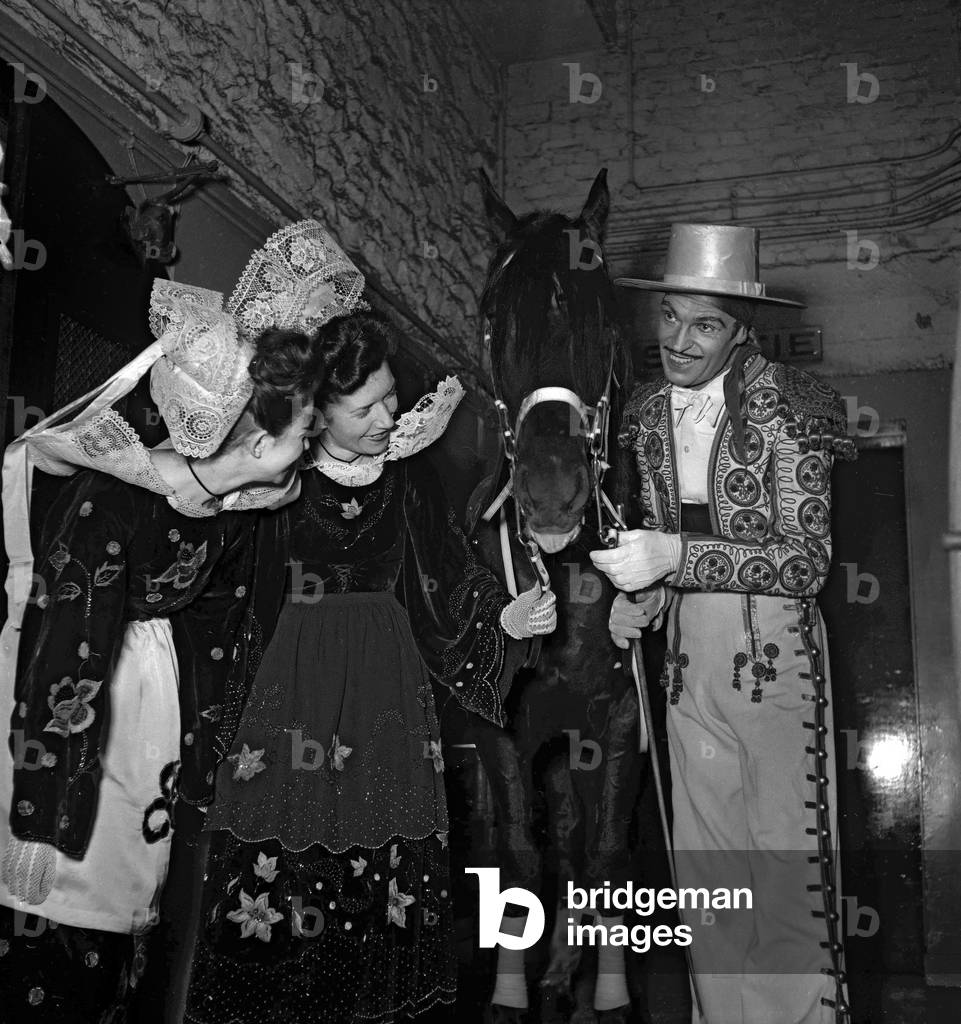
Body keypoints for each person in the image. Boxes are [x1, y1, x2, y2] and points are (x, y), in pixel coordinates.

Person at [0, 220, 366, 1022]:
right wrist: (47, 799)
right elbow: (68, 641)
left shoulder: (243, 506)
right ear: (253, 425)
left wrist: (210, 762)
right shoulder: (118, 494)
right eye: (301, 415)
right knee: (69, 906)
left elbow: (220, 629)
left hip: (152, 702)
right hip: (82, 700)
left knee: (133, 912)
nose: (314, 429)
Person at [182, 309, 557, 1024]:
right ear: (317, 413)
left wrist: (504, 618)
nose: (390, 414)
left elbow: (448, 576)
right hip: (291, 694)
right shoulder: (277, 482)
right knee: (282, 861)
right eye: (366, 406)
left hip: (386, 694)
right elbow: (229, 592)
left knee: (381, 867)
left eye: (391, 394)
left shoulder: (408, 482)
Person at [589, 224, 856, 1024]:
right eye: (668, 317)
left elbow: (803, 562)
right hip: (686, 673)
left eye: (702, 324)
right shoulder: (641, 414)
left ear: (742, 327)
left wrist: (671, 555)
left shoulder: (794, 406)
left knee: (783, 875)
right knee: (709, 885)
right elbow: (662, 556)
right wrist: (638, 599)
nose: (677, 341)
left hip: (775, 669)